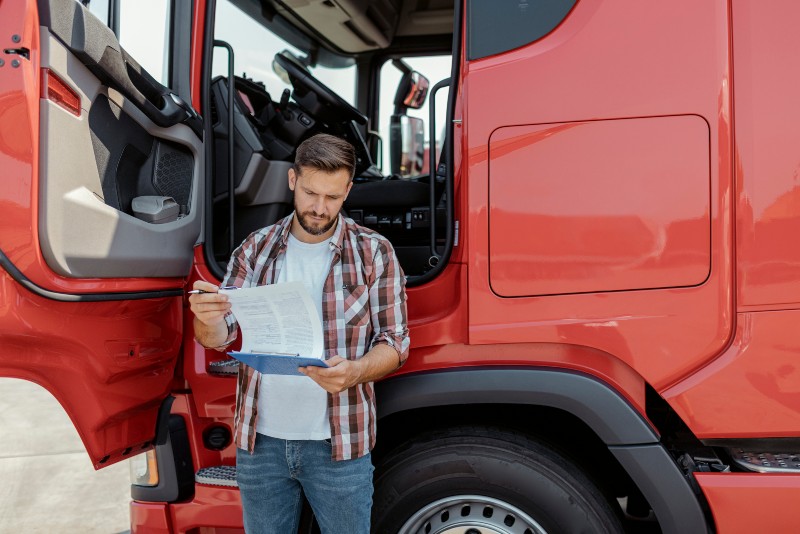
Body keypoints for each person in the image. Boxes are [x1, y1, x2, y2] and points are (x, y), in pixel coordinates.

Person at [188, 133, 410, 534]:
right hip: (261, 444)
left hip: (339, 444)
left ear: (347, 191)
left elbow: (395, 342)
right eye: (310, 193)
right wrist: (206, 317)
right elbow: (218, 337)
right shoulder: (254, 250)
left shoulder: (375, 252)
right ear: (292, 180)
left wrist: (356, 371)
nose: (320, 208)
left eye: (332, 197)